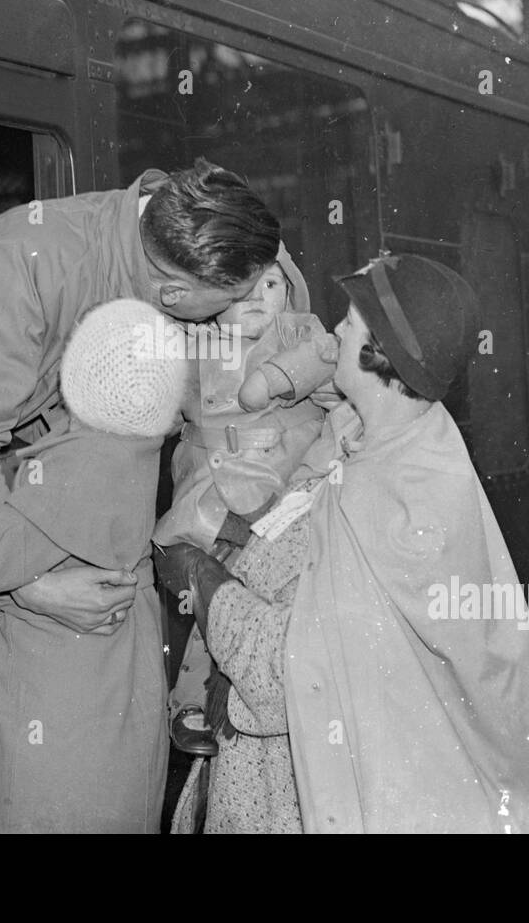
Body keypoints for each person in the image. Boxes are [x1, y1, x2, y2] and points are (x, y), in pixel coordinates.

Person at [157, 254, 529, 833]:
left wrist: (197, 576)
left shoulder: (396, 503)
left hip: (321, 796)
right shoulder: (381, 438)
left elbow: (289, 669)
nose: (334, 331)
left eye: (352, 321)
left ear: (379, 351)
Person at [0, 159, 280, 636]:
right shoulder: (13, 270)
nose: (236, 314)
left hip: (1, 460)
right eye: (230, 301)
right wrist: (30, 585)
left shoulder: (158, 241)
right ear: (175, 293)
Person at [0, 299, 188, 832]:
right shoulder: (134, 444)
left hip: (63, 714)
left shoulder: (74, 474)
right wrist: (30, 588)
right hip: (113, 698)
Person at [153, 251, 337, 757]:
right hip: (209, 496)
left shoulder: (299, 335)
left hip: (283, 496)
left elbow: (332, 366)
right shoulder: (193, 344)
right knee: (208, 599)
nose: (260, 298)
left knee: (265, 604)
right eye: (243, 287)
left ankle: (264, 698)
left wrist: (281, 377)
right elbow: (160, 406)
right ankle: (188, 700)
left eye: (273, 285)